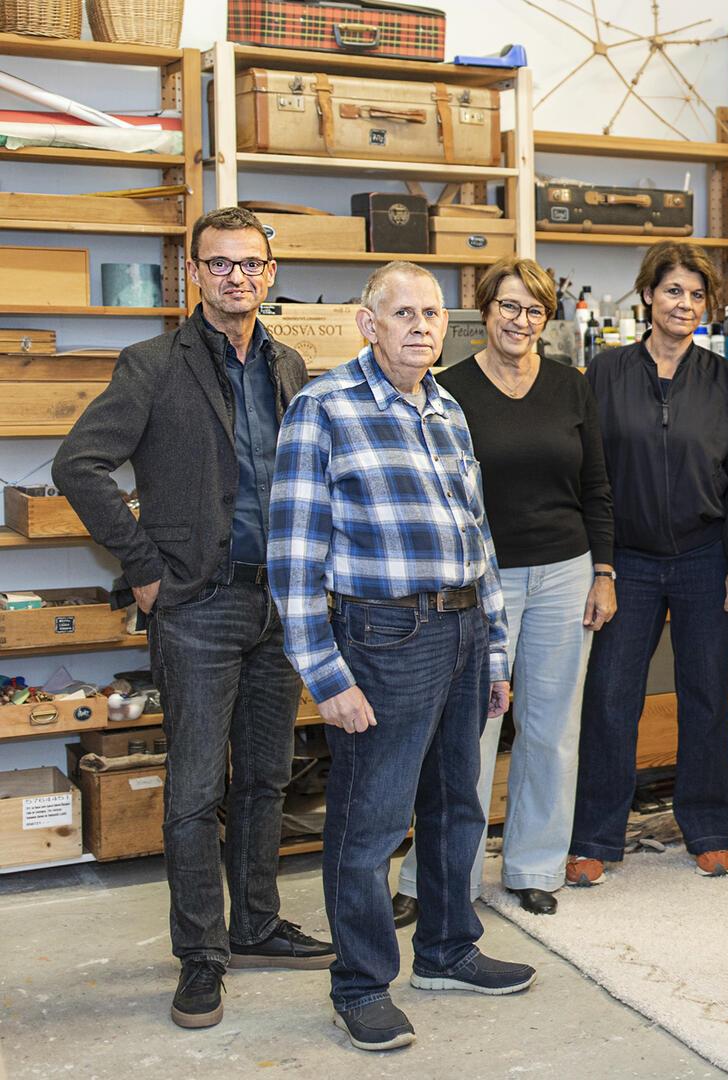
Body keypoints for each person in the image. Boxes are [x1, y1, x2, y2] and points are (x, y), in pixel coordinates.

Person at [52, 207, 333, 1030]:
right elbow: (79, 464)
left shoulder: (290, 365)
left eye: (251, 264)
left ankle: (254, 924)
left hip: (280, 599)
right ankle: (200, 956)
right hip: (196, 605)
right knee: (194, 791)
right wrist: (142, 569)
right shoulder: (151, 364)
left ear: (270, 274)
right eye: (220, 265)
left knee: (269, 775)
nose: (237, 277)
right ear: (195, 274)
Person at [269, 261, 533, 1052]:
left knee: (457, 806)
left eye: (432, 314)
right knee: (370, 822)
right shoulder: (324, 408)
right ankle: (359, 984)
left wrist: (492, 650)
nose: (422, 326)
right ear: (367, 322)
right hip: (382, 639)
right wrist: (327, 676)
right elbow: (292, 559)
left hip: (458, 632)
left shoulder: (447, 408)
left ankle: (449, 949)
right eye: (404, 313)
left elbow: (477, 539)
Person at [390, 259, 616, 924]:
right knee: (467, 733)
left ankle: (534, 867)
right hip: (478, 581)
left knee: (551, 730)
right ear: (484, 312)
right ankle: (436, 875)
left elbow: (596, 487)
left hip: (565, 574)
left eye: (534, 310)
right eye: (510, 307)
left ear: (548, 319)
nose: (521, 321)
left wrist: (603, 571)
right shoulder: (448, 390)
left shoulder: (572, 388)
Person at [570, 242, 728, 883]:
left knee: (705, 694)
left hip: (706, 558)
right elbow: (589, 474)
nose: (684, 304)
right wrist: (599, 562)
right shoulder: (604, 373)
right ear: (648, 295)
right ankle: (595, 838)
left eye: (695, 294)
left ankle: (709, 827)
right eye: (673, 290)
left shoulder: (726, 382)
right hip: (626, 560)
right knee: (610, 695)